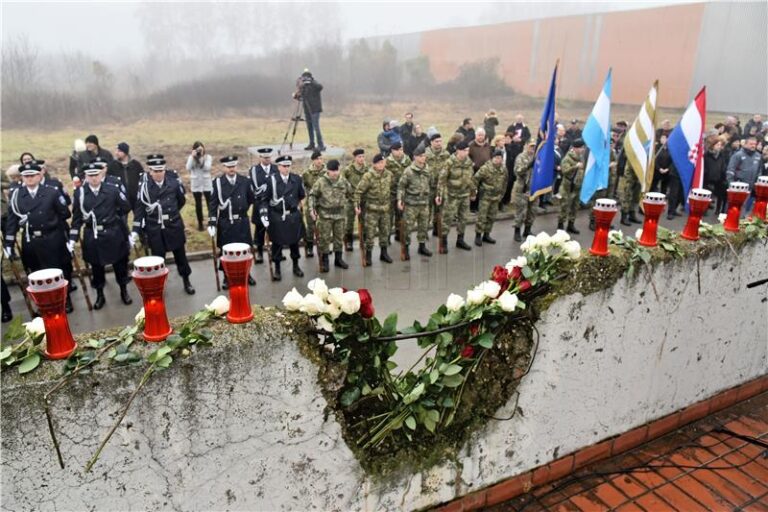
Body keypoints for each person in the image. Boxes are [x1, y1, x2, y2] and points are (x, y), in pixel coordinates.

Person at [4, 162, 74, 313]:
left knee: (58, 272)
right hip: (31, 240)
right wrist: (8, 244)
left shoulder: (52, 192)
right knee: (35, 273)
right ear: (21, 177)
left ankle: (65, 300)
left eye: (32, 175)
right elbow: (12, 220)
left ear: (39, 175)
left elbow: (65, 214)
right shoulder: (17, 195)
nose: (29, 179)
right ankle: (43, 304)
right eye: (26, 176)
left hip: (51, 239)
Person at [70, 163, 133, 309]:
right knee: (97, 269)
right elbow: (77, 219)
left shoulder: (112, 190)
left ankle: (124, 291)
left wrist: (115, 218)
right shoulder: (80, 193)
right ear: (85, 176)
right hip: (93, 235)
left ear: (102, 175)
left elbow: (125, 207)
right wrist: (72, 238)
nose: (93, 178)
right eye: (90, 175)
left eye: (96, 175)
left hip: (112, 233)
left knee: (120, 266)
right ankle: (100, 295)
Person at [130, 155, 195, 295]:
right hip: (155, 229)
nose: (159, 174)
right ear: (150, 172)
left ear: (165, 170)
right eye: (155, 171)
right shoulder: (145, 188)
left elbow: (181, 201)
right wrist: (135, 230)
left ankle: (186, 280)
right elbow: (140, 210)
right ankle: (159, 285)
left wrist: (170, 214)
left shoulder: (173, 183)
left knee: (181, 257)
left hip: (174, 225)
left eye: (161, 170)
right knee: (158, 260)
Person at [207, 155, 255, 288]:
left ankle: (247, 274)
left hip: (241, 221)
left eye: (233, 166)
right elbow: (213, 205)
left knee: (245, 250)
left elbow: (251, 199)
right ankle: (226, 277)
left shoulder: (244, 181)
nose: (231, 169)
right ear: (224, 167)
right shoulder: (217, 183)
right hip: (226, 223)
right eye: (228, 167)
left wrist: (242, 208)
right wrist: (211, 223)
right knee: (225, 252)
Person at [257, 155, 305, 281]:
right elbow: (264, 200)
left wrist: (300, 208)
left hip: (292, 216)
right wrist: (263, 214)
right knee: (277, 244)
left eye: (288, 165)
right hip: (277, 216)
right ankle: (277, 268)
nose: (286, 168)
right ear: (278, 167)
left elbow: (301, 195)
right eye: (284, 166)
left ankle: (296, 266)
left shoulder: (296, 179)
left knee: (295, 242)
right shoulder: (271, 180)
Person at [309, 159, 350, 273]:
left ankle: (338, 259)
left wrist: (353, 205)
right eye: (332, 171)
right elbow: (312, 196)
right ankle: (325, 261)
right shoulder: (321, 182)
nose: (335, 173)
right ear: (328, 171)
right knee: (324, 239)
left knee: (339, 238)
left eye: (336, 170)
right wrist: (312, 209)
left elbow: (351, 193)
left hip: (340, 215)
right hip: (325, 215)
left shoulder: (343, 181)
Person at [355, 153, 394, 266]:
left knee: (385, 232)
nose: (381, 165)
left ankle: (384, 253)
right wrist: (357, 205)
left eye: (383, 162)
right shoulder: (368, 176)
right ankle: (368, 256)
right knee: (370, 234)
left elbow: (391, 189)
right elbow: (358, 192)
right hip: (372, 210)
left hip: (385, 210)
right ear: (374, 164)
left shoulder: (389, 174)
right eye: (379, 163)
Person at [437, 140, 475, 252]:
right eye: (465, 150)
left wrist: (473, 192)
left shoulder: (468, 162)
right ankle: (443, 242)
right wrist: (439, 195)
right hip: (451, 196)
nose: (467, 153)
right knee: (447, 219)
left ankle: (460, 240)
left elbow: (470, 178)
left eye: (468, 150)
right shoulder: (450, 162)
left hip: (464, 195)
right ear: (458, 151)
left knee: (463, 218)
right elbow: (441, 180)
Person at [249, 147, 278, 263]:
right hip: (260, 203)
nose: (267, 160)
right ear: (260, 157)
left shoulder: (276, 168)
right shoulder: (254, 170)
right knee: (260, 229)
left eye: (269, 157)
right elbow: (257, 188)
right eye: (265, 158)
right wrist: (270, 188)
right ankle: (259, 251)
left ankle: (276, 252)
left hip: (273, 204)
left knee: (275, 229)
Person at [473, 149, 507, 246]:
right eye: (496, 158)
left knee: (491, 217)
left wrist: (501, 195)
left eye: (500, 158)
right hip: (485, 197)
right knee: (482, 217)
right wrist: (474, 192)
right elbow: (475, 179)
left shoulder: (503, 169)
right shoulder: (485, 168)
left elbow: (505, 183)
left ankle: (486, 235)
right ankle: (478, 235)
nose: (498, 160)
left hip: (496, 198)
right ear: (492, 158)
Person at [341, 149, 369, 252]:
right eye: (359, 157)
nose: (361, 159)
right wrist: (348, 193)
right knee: (349, 222)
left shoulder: (367, 169)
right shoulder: (348, 169)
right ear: (355, 158)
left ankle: (364, 240)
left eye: (363, 156)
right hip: (351, 200)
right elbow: (343, 182)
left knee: (364, 221)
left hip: (364, 199)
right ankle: (349, 241)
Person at [726, 136, 762, 213]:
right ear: (745, 144)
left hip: (750, 186)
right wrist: (731, 184)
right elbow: (730, 170)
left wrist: (757, 183)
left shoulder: (758, 156)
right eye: (751, 144)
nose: (753, 146)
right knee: (733, 206)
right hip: (738, 187)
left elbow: (759, 170)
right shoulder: (738, 155)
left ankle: (740, 222)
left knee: (743, 206)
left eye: (755, 144)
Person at [557, 139, 586, 234]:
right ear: (575, 148)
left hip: (577, 186)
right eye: (581, 147)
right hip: (567, 187)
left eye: (583, 147)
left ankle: (571, 224)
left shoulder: (581, 157)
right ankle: (560, 226)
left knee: (575, 206)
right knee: (564, 206)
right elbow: (564, 171)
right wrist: (575, 166)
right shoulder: (567, 158)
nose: (582, 149)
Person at [300, 150, 326, 258]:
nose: (319, 161)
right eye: (317, 159)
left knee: (324, 226)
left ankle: (323, 247)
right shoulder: (307, 173)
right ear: (313, 160)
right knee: (310, 226)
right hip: (311, 203)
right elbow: (302, 187)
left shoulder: (326, 172)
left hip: (325, 203)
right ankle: (309, 247)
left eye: (320, 158)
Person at [511, 140, 538, 242]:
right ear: (526, 146)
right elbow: (517, 171)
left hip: (534, 189)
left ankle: (527, 230)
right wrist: (528, 166)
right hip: (522, 188)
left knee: (533, 211)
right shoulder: (521, 157)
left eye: (534, 147)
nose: (532, 148)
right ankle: (517, 232)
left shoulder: (538, 158)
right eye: (530, 146)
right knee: (521, 212)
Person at [425, 133, 450, 237]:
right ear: (431, 142)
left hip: (441, 187)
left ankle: (436, 229)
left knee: (439, 210)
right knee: (426, 210)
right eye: (436, 141)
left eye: (440, 141)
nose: (439, 143)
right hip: (428, 186)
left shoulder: (446, 154)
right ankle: (424, 232)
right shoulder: (424, 154)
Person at [293, 69, 325, 151]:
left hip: (315, 109)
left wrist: (311, 81)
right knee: (309, 127)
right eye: (304, 78)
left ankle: (321, 145)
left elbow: (320, 87)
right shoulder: (304, 86)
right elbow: (300, 97)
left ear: (310, 77)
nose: (305, 80)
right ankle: (312, 144)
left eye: (306, 78)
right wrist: (296, 95)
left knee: (316, 127)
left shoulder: (314, 84)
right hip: (307, 110)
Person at [185, 141, 213, 231]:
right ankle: (200, 223)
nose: (199, 151)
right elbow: (188, 168)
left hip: (206, 183)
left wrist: (200, 159)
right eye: (197, 149)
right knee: (198, 204)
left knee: (210, 203)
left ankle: (211, 221)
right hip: (196, 183)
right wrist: (193, 157)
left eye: (201, 149)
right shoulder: (191, 157)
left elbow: (207, 168)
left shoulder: (208, 157)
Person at [109, 142, 144, 210]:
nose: (116, 153)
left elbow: (142, 178)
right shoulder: (112, 166)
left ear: (125, 152)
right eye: (116, 151)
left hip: (135, 197)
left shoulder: (136, 165)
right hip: (120, 198)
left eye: (119, 151)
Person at [703, 137, 728, 216]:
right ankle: (704, 209)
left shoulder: (721, 155)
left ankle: (718, 209)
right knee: (707, 194)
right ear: (713, 145)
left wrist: (724, 176)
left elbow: (723, 166)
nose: (719, 146)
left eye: (720, 145)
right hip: (708, 178)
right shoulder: (707, 155)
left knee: (720, 194)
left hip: (719, 178)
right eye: (717, 145)